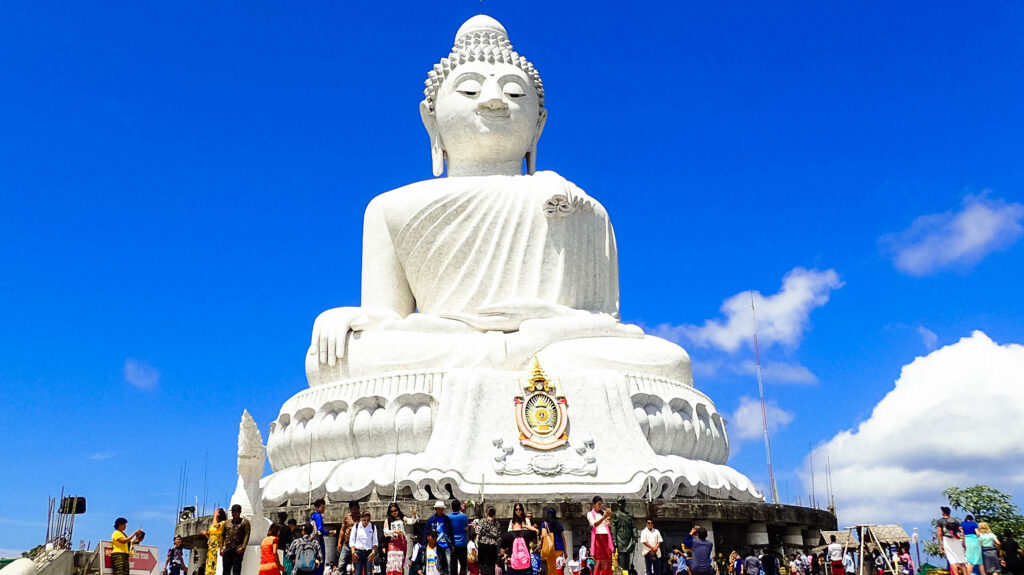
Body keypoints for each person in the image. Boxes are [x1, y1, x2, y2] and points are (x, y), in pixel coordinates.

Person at [384, 503, 418, 575]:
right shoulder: (388, 520)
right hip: (393, 543)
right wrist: (394, 531)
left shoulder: (402, 518)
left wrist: (414, 515)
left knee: (400, 564)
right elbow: (385, 532)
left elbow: (411, 521)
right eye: (392, 511)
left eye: (395, 510)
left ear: (398, 510)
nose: (394, 512)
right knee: (392, 563)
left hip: (402, 542)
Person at [502, 508, 538, 575]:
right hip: (526, 566)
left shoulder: (506, 535)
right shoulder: (527, 533)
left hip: (512, 566)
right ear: (521, 523)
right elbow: (537, 531)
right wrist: (525, 526)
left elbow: (502, 551)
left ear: (512, 524)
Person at [587, 498, 614, 575]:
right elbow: (594, 524)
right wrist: (604, 517)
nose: (600, 506)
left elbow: (609, 524)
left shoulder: (603, 513)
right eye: (599, 504)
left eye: (601, 504)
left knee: (607, 561)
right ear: (594, 505)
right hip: (598, 539)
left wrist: (609, 516)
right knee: (598, 562)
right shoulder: (590, 514)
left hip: (606, 538)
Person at [222, 505, 252, 575]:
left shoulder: (244, 522)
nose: (234, 513)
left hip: (237, 549)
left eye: (236, 511)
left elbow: (247, 534)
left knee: (236, 569)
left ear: (240, 512)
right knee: (226, 570)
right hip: (227, 549)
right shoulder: (227, 523)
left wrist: (243, 547)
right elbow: (222, 535)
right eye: (233, 511)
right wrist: (221, 547)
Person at [938, 507, 968, 575]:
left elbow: (939, 533)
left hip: (947, 540)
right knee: (961, 559)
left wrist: (940, 544)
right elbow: (961, 531)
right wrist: (963, 542)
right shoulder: (955, 520)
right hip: (957, 539)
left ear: (943, 512)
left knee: (952, 560)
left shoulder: (940, 521)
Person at [541, 509, 567, 575]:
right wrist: (565, 551)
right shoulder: (559, 525)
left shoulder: (545, 524)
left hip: (551, 549)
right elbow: (563, 538)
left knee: (551, 568)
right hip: (559, 549)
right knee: (556, 567)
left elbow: (543, 535)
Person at [339, 502, 362, 575]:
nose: (354, 511)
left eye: (355, 509)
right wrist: (339, 542)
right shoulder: (347, 517)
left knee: (356, 566)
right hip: (346, 544)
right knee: (341, 565)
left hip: (357, 546)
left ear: (358, 508)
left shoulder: (362, 518)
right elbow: (342, 530)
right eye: (352, 509)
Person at [202, 509, 228, 575]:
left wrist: (215, 517)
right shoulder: (214, 524)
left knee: (215, 565)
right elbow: (210, 535)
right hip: (211, 548)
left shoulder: (223, 523)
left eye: (215, 512)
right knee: (209, 565)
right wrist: (205, 534)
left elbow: (215, 527)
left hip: (217, 547)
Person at [477, 508, 501, 575]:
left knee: (482, 562)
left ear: (487, 513)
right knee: (491, 564)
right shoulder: (497, 523)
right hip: (493, 545)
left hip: (483, 544)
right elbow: (499, 535)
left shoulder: (483, 521)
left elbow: (477, 531)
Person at [450, 501, 470, 575]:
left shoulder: (448, 516)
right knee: (463, 565)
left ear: (452, 507)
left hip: (452, 545)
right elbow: (467, 528)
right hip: (462, 544)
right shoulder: (463, 516)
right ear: (459, 507)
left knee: (453, 565)